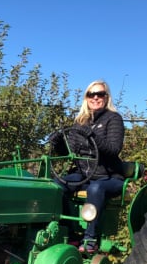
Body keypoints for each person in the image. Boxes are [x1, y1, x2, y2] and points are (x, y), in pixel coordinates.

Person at [50, 80, 125, 253]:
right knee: (56, 185)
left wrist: (93, 136)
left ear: (106, 97)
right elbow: (72, 150)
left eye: (100, 94)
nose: (96, 97)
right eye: (92, 94)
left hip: (109, 177)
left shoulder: (114, 118)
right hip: (84, 174)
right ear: (86, 98)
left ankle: (90, 239)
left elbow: (113, 149)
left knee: (96, 188)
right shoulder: (80, 121)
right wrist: (58, 143)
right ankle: (70, 232)